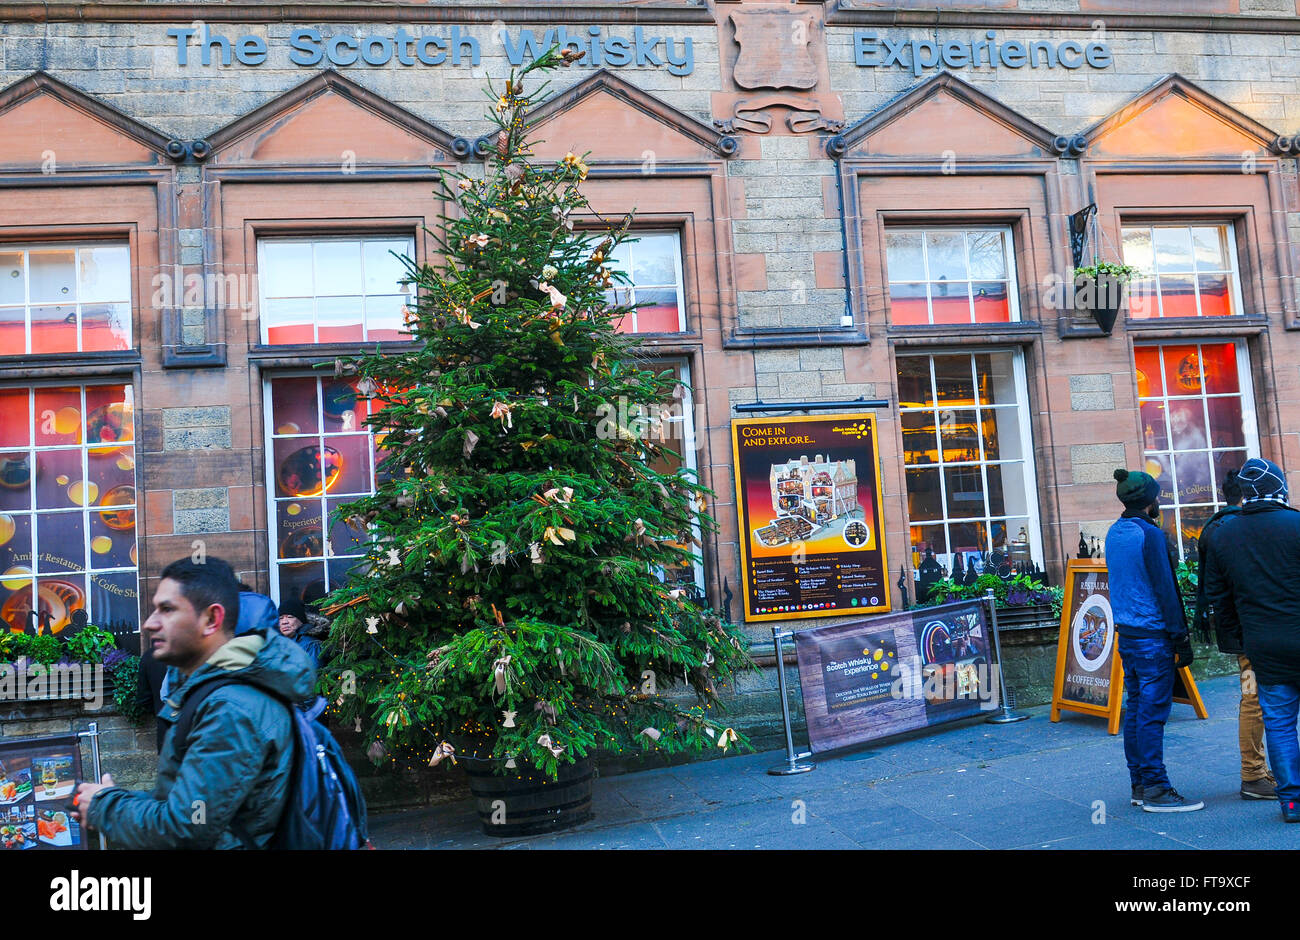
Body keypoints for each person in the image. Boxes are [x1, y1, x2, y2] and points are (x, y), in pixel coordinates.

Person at [73, 556, 316, 849]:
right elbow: (191, 804)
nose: (150, 624)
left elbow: (188, 826)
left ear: (211, 619)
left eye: (167, 609)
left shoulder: (231, 708)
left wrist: (106, 806)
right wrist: (114, 798)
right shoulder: (216, 693)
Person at [1204, 457, 1300, 823]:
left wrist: (1241, 640)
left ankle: (1291, 800)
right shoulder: (1297, 524)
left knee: (1278, 722)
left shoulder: (1224, 533)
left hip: (1263, 643)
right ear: (1280, 488)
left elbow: (1218, 597)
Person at [1105, 468, 1203, 813]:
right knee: (1151, 712)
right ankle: (1157, 788)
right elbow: (1166, 589)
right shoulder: (1151, 535)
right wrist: (1181, 639)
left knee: (1136, 710)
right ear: (1149, 500)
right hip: (1152, 636)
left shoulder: (1115, 532)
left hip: (1128, 635)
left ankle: (1140, 783)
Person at [1193, 468, 1276, 801]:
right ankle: (1253, 774)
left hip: (1243, 630)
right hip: (1252, 631)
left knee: (1257, 699)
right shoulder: (1235, 529)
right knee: (1254, 700)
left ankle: (1260, 770)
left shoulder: (1214, 527)